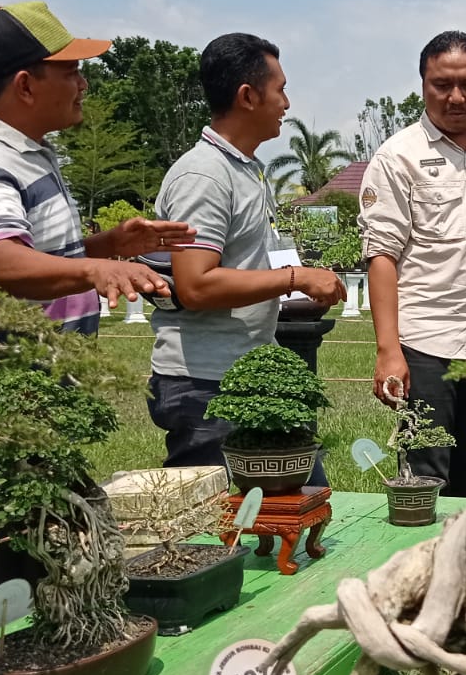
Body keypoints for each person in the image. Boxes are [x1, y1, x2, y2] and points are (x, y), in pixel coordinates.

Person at [0, 0, 193, 635]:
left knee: (42, 553)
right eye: (71, 71)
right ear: (26, 83)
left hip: (31, 391)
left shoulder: (25, 150)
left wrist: (109, 245)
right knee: (2, 565)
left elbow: (37, 256)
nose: (84, 84)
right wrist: (94, 272)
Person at [147, 33, 346, 467]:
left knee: (296, 502)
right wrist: (296, 278)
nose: (287, 103)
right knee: (208, 524)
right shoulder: (205, 176)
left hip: (245, 373)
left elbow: (244, 266)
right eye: (281, 89)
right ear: (248, 96)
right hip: (205, 382)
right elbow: (196, 284)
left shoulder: (244, 169)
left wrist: (293, 285)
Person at [359, 31, 466, 496]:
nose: (456, 97)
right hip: (424, 343)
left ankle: (449, 564)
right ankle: (419, 565)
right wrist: (389, 351)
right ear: (423, 85)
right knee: (426, 477)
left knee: (462, 467)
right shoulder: (398, 158)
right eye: (441, 84)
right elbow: (382, 255)